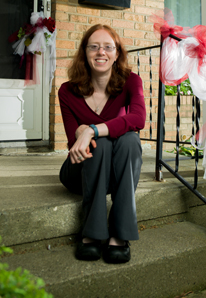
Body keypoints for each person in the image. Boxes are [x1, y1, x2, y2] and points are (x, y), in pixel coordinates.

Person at [58, 24, 146, 264]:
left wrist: (91, 130)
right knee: (102, 144)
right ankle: (93, 232)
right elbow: (72, 139)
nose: (101, 52)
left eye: (108, 47)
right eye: (94, 47)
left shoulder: (131, 81)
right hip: (81, 169)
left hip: (113, 172)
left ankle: (120, 234)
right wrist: (83, 133)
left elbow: (138, 119)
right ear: (85, 53)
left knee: (129, 139)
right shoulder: (67, 91)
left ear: (117, 53)